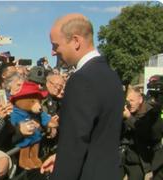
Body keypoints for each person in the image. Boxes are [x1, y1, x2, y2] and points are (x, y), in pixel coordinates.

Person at [40, 13, 124, 180]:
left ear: (76, 41)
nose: (53, 52)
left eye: (55, 45)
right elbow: (97, 135)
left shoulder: (81, 80)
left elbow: (74, 143)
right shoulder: (111, 75)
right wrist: (60, 158)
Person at [121, 87, 163, 180]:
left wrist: (129, 117)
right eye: (127, 101)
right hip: (123, 156)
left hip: (138, 161)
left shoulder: (149, 112)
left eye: (132, 100)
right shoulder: (125, 110)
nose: (129, 104)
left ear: (140, 99)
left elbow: (146, 132)